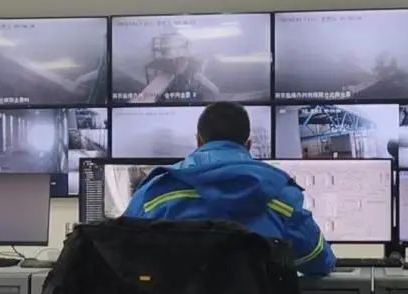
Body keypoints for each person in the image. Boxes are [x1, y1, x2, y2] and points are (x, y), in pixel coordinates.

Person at [124, 102, 336, 276]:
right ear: (249, 144)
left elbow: (119, 251)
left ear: (198, 141)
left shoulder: (154, 193)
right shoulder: (281, 196)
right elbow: (318, 261)